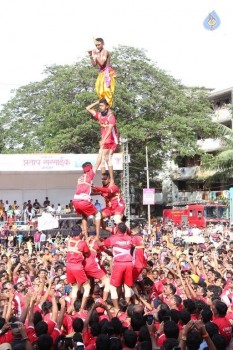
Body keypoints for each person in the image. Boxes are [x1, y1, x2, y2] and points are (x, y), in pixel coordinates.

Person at [86, 99, 119, 183]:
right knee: (101, 160)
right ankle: (105, 180)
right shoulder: (99, 115)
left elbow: (109, 130)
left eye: (102, 106)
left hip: (112, 140)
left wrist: (103, 140)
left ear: (107, 106)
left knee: (105, 159)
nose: (100, 107)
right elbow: (88, 108)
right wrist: (97, 102)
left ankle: (111, 180)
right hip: (105, 140)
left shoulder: (111, 117)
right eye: (99, 106)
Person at [72, 161, 101, 238]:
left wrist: (99, 193)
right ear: (90, 168)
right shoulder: (90, 175)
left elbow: (87, 193)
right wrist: (102, 150)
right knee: (97, 214)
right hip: (83, 202)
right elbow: (98, 161)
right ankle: (97, 235)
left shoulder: (80, 178)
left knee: (84, 216)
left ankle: (86, 236)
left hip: (75, 201)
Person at [88, 37, 116, 107]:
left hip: (107, 73)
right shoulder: (98, 53)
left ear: (103, 44)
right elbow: (94, 65)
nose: (97, 46)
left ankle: (108, 106)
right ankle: (103, 106)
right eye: (96, 45)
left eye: (99, 44)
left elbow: (102, 63)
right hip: (101, 73)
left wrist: (96, 55)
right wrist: (91, 56)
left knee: (107, 91)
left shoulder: (105, 52)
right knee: (99, 90)